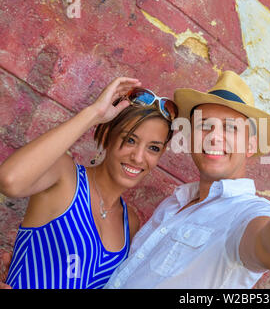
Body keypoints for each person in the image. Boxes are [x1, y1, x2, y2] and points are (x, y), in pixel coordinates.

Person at [104, 67, 270, 289]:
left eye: (230, 128)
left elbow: (268, 249)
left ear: (250, 146)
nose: (215, 137)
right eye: (205, 125)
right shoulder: (174, 203)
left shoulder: (247, 213)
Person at [0, 77, 178, 289]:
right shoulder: (65, 177)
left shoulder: (129, 222)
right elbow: (9, 181)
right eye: (130, 140)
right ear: (107, 137)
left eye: (153, 148)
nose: (139, 158)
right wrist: (95, 114)